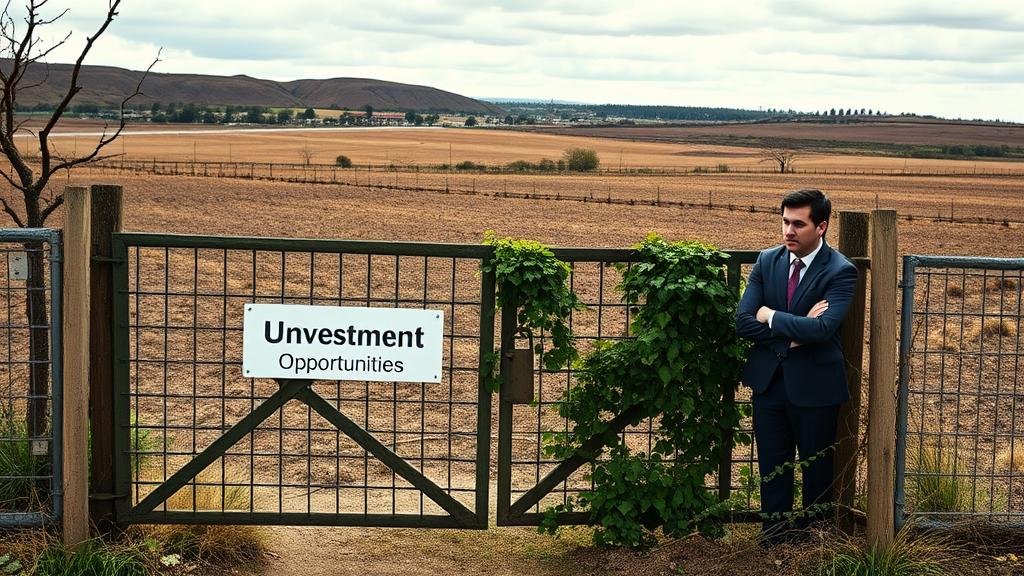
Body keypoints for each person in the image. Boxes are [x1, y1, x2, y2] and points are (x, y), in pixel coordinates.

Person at [735, 188, 858, 546]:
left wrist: (771, 315)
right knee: (772, 466)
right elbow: (743, 321)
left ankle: (813, 542)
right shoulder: (766, 260)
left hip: (816, 386)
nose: (789, 230)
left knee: (817, 468)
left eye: (799, 224)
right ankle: (774, 536)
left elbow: (823, 329)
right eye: (785, 222)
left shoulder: (840, 271)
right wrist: (791, 336)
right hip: (770, 382)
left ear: (821, 227)